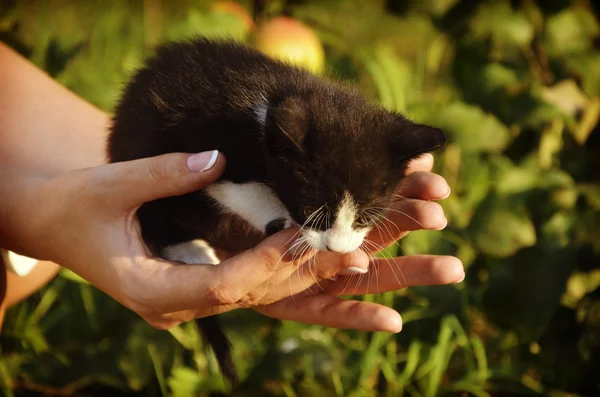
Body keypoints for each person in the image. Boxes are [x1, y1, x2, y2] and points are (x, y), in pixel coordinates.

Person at [0, 42, 464, 332]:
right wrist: (49, 217)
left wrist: (58, 202)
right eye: (319, 220)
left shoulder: (294, 129)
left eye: (363, 219)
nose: (342, 242)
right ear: (281, 150)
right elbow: (222, 179)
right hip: (158, 180)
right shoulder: (269, 132)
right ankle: (169, 236)